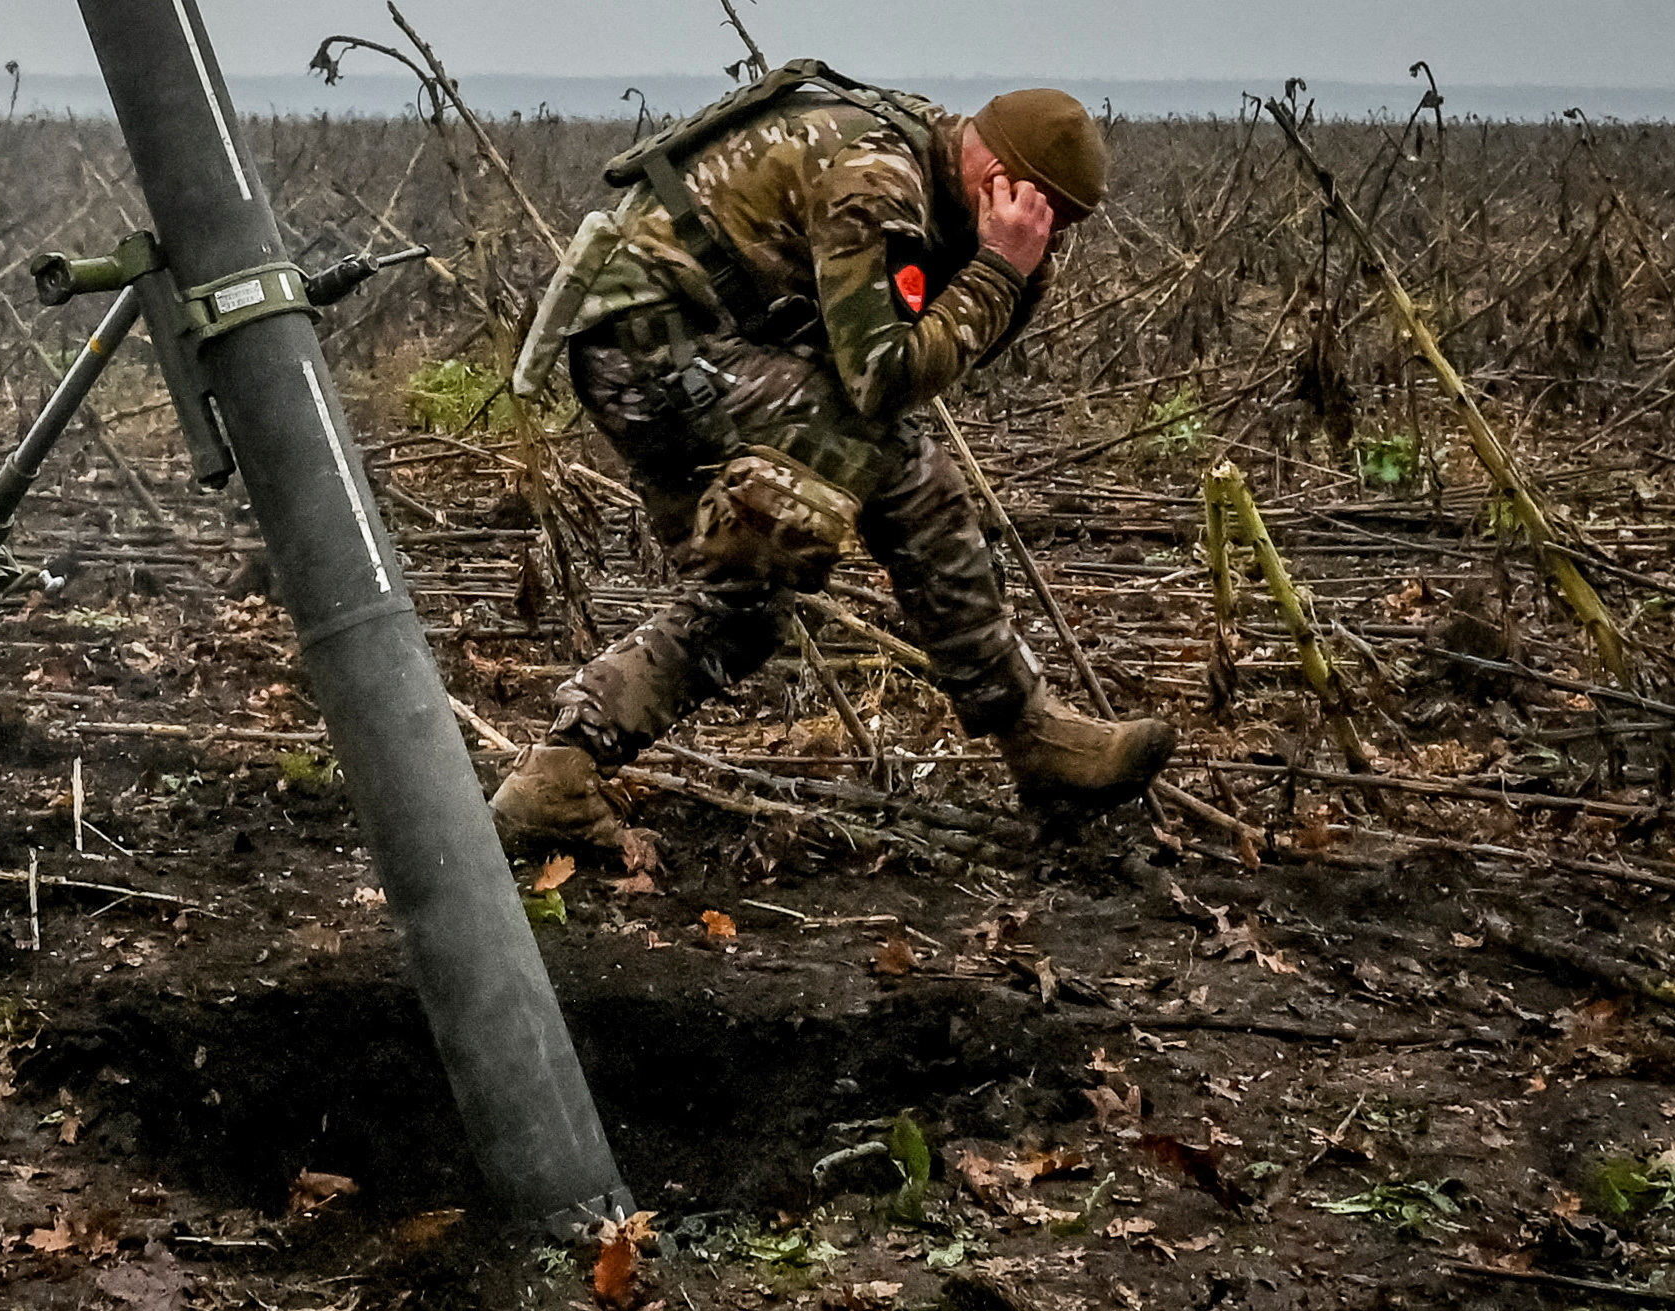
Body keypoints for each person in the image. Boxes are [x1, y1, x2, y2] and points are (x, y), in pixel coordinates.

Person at [491, 62, 1175, 849]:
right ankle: (1034, 736)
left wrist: (1015, 276)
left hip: (674, 349)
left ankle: (557, 778)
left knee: (745, 609)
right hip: (652, 350)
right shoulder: (878, 181)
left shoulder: (932, 157)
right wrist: (997, 271)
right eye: (1045, 215)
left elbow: (932, 354)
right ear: (998, 176)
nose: (1047, 235)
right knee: (908, 468)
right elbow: (884, 379)